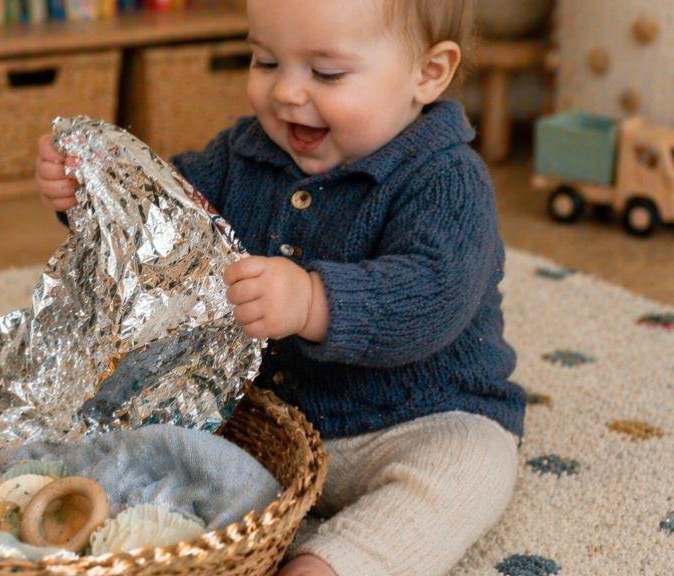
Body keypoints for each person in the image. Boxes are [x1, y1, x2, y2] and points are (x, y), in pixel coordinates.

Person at [35, 1, 525, 574]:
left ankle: (337, 562)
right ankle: (155, 532)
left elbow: (432, 295)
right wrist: (96, 196)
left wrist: (315, 301)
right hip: (266, 423)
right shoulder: (244, 152)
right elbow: (165, 222)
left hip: (415, 417)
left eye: (327, 73)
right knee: (143, 419)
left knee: (473, 464)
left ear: (429, 73)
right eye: (265, 61)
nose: (287, 93)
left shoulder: (448, 180)